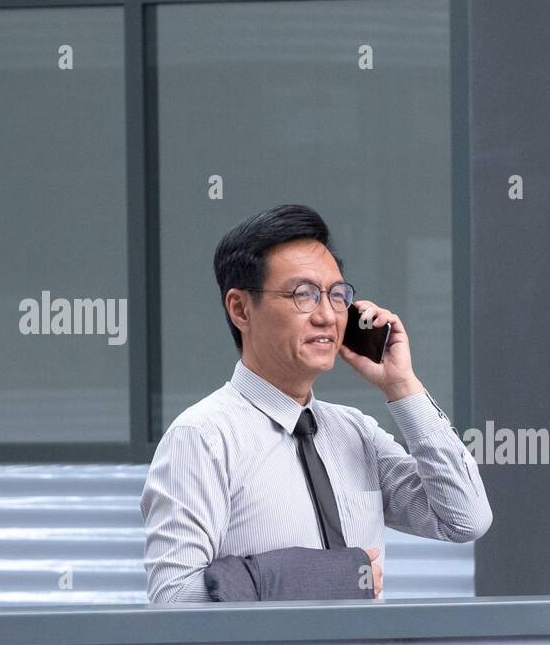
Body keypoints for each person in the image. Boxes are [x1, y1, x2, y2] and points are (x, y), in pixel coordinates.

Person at [140, 204, 491, 602]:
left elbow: (464, 519)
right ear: (240, 309)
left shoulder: (355, 432)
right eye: (303, 295)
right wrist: (330, 577)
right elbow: (174, 601)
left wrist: (403, 386)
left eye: (337, 295)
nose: (327, 315)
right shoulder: (202, 438)